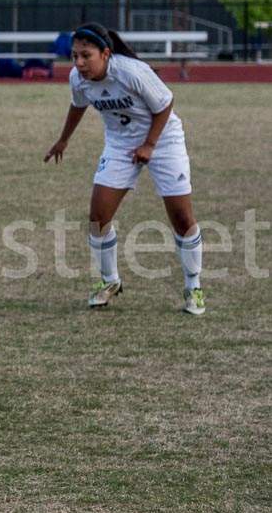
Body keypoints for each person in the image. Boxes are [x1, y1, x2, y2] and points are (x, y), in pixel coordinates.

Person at [44, 22, 205, 315]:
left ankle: (194, 287)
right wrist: (63, 140)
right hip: (120, 145)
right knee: (98, 218)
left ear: (105, 53)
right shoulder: (78, 79)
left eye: (86, 55)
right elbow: (78, 104)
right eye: (75, 56)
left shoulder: (131, 71)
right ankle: (110, 281)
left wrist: (150, 145)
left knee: (182, 217)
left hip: (164, 140)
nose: (79, 63)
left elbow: (165, 105)